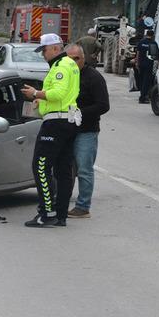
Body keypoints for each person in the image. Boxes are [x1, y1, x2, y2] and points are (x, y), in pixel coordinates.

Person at [20, 33, 80, 227]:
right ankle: (60, 215)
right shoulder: (70, 64)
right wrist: (42, 100)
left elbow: (59, 93)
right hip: (67, 121)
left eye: (44, 50)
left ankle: (47, 213)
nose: (43, 54)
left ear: (55, 48)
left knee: (40, 166)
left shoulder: (61, 66)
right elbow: (64, 95)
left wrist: (36, 93)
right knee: (63, 170)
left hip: (56, 123)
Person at [66, 44, 109, 219]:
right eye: (69, 59)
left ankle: (83, 207)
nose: (73, 62)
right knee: (65, 169)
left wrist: (79, 113)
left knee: (84, 169)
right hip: (66, 130)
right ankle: (61, 202)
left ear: (84, 59)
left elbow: (103, 105)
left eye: (77, 58)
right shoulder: (64, 75)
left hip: (86, 131)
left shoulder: (94, 78)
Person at [135, 30, 159, 103]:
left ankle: (142, 95)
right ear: (153, 35)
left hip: (141, 64)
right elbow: (156, 54)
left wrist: (137, 63)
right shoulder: (153, 43)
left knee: (141, 80)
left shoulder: (141, 42)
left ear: (146, 34)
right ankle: (143, 98)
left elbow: (138, 53)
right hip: (149, 64)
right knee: (146, 81)